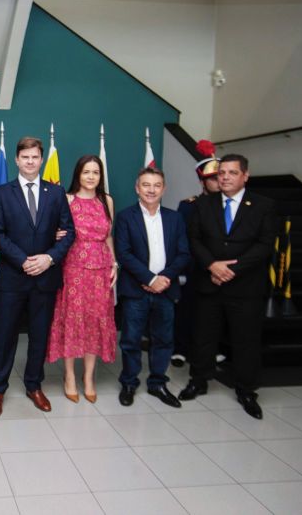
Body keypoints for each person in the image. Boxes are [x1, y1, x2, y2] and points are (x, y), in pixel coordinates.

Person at [179, 154, 276, 420]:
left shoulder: (263, 205)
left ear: (245, 175)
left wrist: (231, 269)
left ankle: (246, 390)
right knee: (203, 336)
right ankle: (198, 380)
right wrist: (212, 265)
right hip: (209, 282)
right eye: (221, 173)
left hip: (245, 286)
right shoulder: (202, 205)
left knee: (246, 340)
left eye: (232, 173)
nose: (225, 177)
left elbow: (265, 244)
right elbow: (194, 238)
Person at [0, 137, 75, 418]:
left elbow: (68, 232)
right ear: (16, 159)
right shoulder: (2, 193)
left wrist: (48, 258)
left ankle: (34, 385)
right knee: (5, 336)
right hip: (14, 276)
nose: (30, 161)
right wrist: (23, 260)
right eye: (25, 157)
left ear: (40, 158)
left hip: (46, 277)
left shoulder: (56, 193)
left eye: (35, 157)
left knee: (39, 335)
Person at [114, 167, 190, 408]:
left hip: (166, 290)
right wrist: (149, 278)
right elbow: (124, 254)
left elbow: (183, 253)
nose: (151, 190)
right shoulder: (126, 217)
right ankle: (129, 382)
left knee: (163, 339)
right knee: (131, 339)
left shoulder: (175, 218)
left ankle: (158, 382)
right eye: (146, 185)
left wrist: (164, 278)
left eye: (156, 185)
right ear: (137, 188)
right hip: (136, 290)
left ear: (163, 189)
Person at [46, 155, 117, 404]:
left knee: (94, 322)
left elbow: (108, 237)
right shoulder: (66, 199)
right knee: (72, 320)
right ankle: (69, 377)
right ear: (78, 174)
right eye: (86, 172)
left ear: (101, 176)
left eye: (95, 172)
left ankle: (88, 378)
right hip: (73, 268)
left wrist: (114, 263)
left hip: (100, 268)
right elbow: (56, 231)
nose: (91, 177)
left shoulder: (106, 201)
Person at [172, 157, 220, 367]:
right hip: (193, 266)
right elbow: (181, 238)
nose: (219, 182)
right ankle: (181, 349)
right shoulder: (189, 206)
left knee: (213, 313)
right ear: (203, 182)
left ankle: (211, 349)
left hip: (219, 268)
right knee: (187, 308)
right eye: (213, 179)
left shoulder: (229, 206)